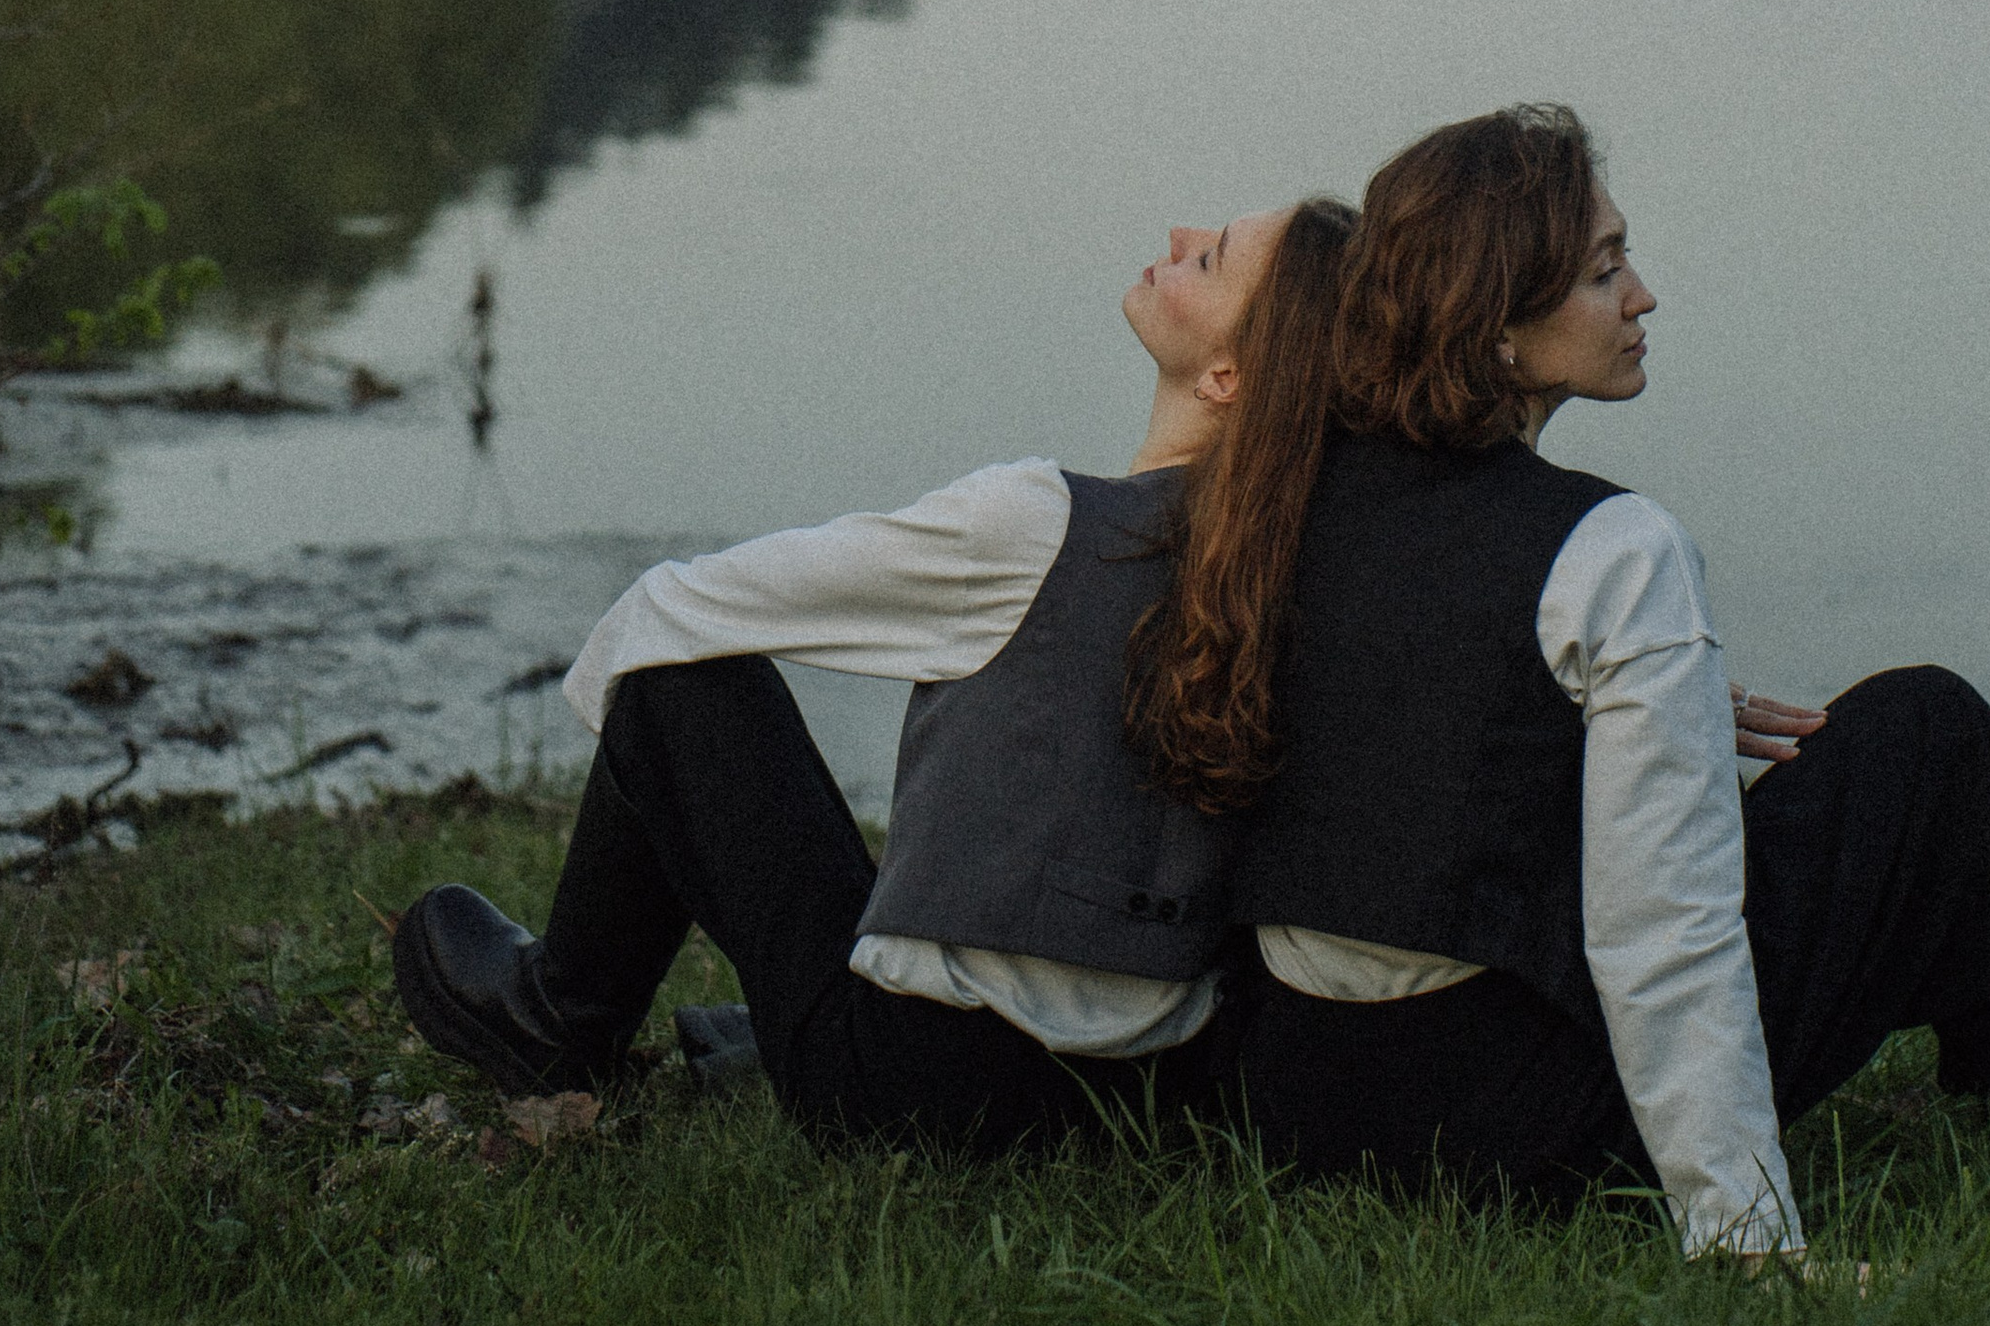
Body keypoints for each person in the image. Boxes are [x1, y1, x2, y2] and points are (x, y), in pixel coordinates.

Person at [1124, 104, 1990, 1256]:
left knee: (1863, 765)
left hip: (1297, 1098)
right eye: (1605, 270)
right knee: (1919, 735)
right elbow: (1663, 937)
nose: (1645, 296)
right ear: (1497, 327)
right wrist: (1742, 1232)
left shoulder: (1279, 493)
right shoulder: (1612, 550)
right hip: (1518, 1133)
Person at [391, 195, 1351, 1156]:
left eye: (1213, 258)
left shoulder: (1031, 525)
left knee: (681, 683)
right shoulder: (1336, 569)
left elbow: (669, 612)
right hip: (1151, 1096)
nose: (1181, 234)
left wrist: (667, 807)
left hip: (907, 1091)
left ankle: (562, 1014)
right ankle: (750, 1033)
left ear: (1226, 375)